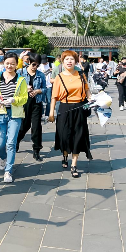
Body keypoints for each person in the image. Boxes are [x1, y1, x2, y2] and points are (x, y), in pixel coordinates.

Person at [48, 50, 91, 178]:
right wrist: (51, 112)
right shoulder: (59, 77)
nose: (69, 61)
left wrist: (93, 100)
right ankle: (65, 155)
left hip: (79, 108)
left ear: (76, 61)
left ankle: (74, 164)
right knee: (64, 135)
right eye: (66, 59)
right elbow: (54, 96)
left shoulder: (81, 75)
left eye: (72, 59)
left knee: (78, 135)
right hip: (64, 108)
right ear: (62, 61)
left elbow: (87, 90)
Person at [0, 52, 28, 182]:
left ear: (16, 65)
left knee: (11, 143)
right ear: (4, 63)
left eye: (12, 64)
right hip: (0, 113)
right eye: (7, 63)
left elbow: (24, 98)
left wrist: (14, 100)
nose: (9, 66)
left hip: (15, 114)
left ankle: (8, 171)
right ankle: (3, 157)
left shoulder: (21, 79)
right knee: (0, 143)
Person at [16, 52, 47, 160]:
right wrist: (25, 88)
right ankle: (16, 141)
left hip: (36, 103)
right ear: (28, 62)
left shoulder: (41, 75)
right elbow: (15, 86)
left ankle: (36, 150)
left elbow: (45, 89)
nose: (35, 67)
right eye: (33, 64)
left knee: (36, 127)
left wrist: (38, 91)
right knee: (23, 126)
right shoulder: (20, 72)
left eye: (37, 65)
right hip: (24, 103)